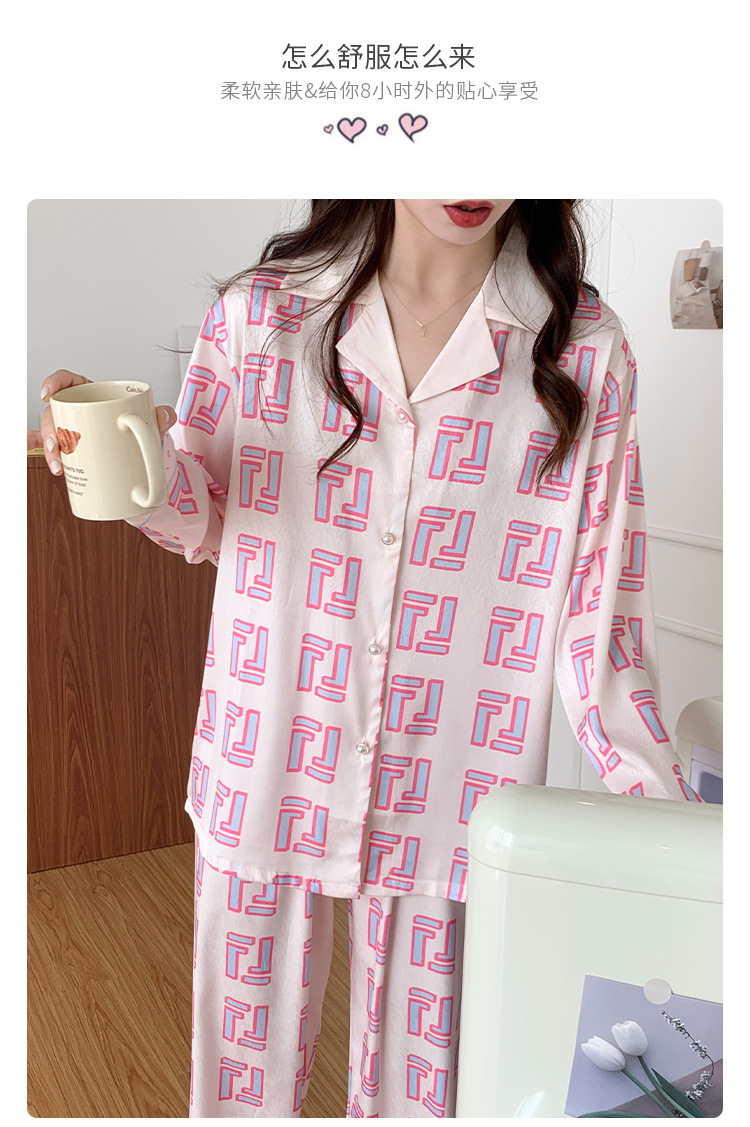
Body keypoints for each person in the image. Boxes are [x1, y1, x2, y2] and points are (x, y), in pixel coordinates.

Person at [36, 199, 702, 1119]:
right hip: (271, 747)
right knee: (239, 1088)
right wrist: (130, 464)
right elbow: (210, 512)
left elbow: (603, 612)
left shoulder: (584, 348)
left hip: (456, 778)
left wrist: (676, 840)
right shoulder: (260, 317)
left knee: (422, 1100)